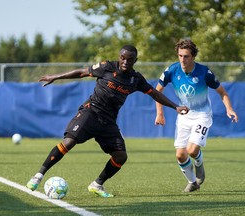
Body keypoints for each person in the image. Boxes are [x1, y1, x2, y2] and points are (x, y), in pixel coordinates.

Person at [26, 45, 189, 198]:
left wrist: (175, 107)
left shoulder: (136, 79)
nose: (125, 62)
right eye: (123, 58)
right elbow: (82, 72)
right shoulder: (107, 67)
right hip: (91, 112)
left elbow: (154, 93)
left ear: (135, 61)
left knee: (120, 156)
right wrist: (56, 76)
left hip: (108, 121)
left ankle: (97, 185)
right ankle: (38, 176)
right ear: (119, 57)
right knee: (69, 142)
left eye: (129, 59)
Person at [155, 39, 238, 192]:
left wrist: (229, 109)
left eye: (186, 56)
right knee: (180, 155)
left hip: (202, 115)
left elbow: (222, 92)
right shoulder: (171, 70)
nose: (182, 59)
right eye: (180, 55)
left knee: (192, 151)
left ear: (193, 57)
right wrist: (160, 113)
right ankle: (193, 182)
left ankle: (199, 164)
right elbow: (156, 91)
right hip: (184, 116)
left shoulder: (204, 72)